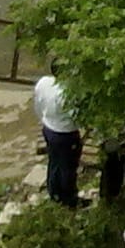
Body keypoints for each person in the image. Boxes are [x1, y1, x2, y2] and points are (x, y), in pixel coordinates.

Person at [33, 70, 83, 206]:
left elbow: (37, 104)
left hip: (49, 128)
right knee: (68, 166)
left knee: (54, 161)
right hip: (65, 133)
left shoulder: (43, 82)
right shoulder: (68, 92)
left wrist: (43, 119)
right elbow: (76, 115)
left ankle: (53, 192)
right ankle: (68, 198)